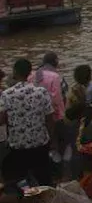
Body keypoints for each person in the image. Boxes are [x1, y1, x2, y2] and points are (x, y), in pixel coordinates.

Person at [1, 58, 55, 186]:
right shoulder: (41, 92)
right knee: (44, 179)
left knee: (21, 181)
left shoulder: (7, 94)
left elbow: (1, 120)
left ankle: (25, 199)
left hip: (18, 146)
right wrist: (51, 141)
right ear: (30, 72)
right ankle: (44, 201)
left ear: (14, 72)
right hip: (40, 144)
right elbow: (49, 119)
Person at [33, 53, 69, 182]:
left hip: (38, 117)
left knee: (45, 145)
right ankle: (60, 174)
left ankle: (48, 174)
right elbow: (60, 98)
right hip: (55, 116)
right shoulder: (56, 77)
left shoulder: (35, 74)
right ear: (55, 62)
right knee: (59, 144)